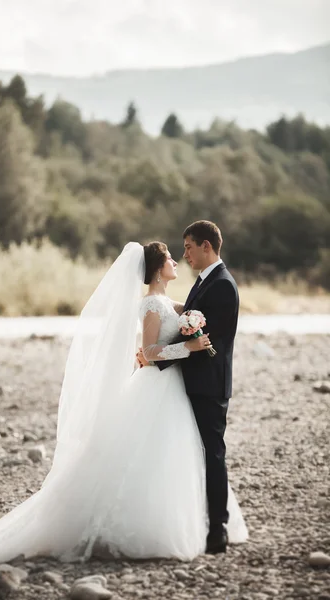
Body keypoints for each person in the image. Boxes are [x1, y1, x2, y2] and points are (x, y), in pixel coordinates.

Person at [0, 239, 247, 568]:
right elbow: (151, 352)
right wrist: (189, 349)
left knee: (174, 453)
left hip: (172, 387)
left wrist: (190, 336)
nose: (177, 261)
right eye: (170, 257)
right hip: (157, 387)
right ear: (157, 268)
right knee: (148, 453)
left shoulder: (168, 302)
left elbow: (189, 322)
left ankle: (193, 521)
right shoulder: (151, 304)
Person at [138, 220, 241, 554]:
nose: (184, 255)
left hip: (208, 384)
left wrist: (154, 356)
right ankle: (196, 522)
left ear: (206, 246)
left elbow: (208, 340)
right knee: (189, 453)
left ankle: (218, 530)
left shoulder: (222, 285)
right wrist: (151, 355)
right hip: (187, 382)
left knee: (212, 453)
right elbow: (183, 324)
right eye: (179, 250)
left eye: (188, 247)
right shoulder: (202, 283)